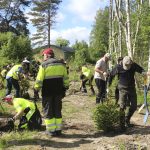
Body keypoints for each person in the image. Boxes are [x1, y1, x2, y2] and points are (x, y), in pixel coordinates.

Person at [34, 48, 69, 136]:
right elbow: (65, 78)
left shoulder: (44, 65)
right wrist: (65, 88)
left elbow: (39, 80)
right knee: (57, 110)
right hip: (58, 92)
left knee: (48, 110)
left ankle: (50, 131)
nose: (43, 58)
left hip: (47, 92)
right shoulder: (62, 64)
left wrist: (36, 89)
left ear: (48, 55)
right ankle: (58, 130)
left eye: (44, 56)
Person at [108, 56, 148, 131]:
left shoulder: (133, 65)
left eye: (129, 65)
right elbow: (111, 75)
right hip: (122, 88)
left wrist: (145, 73)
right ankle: (122, 125)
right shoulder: (118, 67)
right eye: (126, 65)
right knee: (122, 106)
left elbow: (141, 70)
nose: (128, 66)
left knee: (134, 106)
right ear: (123, 63)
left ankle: (127, 119)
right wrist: (108, 86)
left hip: (132, 88)